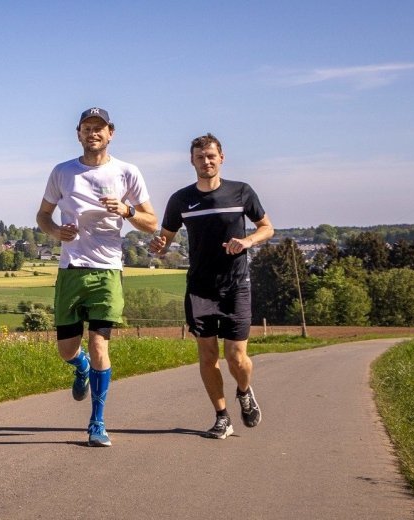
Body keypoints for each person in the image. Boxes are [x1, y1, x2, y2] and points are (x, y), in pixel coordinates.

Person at [36, 107, 158, 446]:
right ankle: (80, 367)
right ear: (78, 133)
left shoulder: (127, 172)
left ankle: (97, 422)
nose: (93, 133)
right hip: (71, 269)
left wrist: (127, 210)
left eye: (99, 128)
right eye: (87, 128)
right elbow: (43, 216)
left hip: (107, 269)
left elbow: (151, 222)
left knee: (100, 342)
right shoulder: (62, 172)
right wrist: (56, 231)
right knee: (66, 350)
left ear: (111, 133)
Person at [150, 133, 273, 439]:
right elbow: (165, 241)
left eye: (211, 156)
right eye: (200, 157)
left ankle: (244, 391)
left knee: (236, 357)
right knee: (207, 356)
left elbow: (267, 228)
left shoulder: (241, 192)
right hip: (200, 287)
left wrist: (246, 241)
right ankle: (221, 417)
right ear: (192, 161)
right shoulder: (181, 199)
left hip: (235, 284)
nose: (206, 162)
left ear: (221, 158)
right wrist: (157, 245)